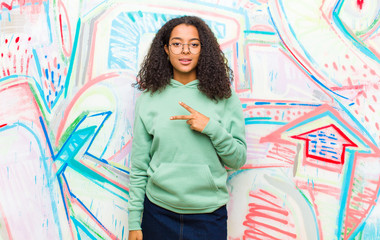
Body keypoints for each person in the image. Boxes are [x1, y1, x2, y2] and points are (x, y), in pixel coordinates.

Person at [128, 15, 247, 240]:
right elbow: (139, 167)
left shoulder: (224, 97)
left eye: (193, 44)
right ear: (165, 49)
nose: (185, 51)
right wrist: (135, 220)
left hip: (208, 216)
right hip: (158, 213)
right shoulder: (149, 99)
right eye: (177, 44)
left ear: (204, 49)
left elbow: (238, 160)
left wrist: (211, 127)